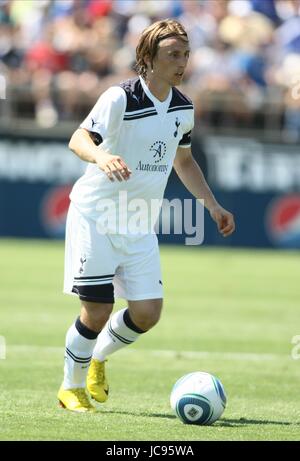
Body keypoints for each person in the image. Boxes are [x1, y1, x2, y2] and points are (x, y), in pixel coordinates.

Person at [58, 19, 235, 412]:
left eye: (185, 54)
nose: (182, 61)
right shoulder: (119, 98)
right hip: (96, 215)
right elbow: (78, 139)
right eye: (173, 54)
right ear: (147, 58)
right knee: (98, 309)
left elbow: (184, 162)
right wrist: (102, 156)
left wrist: (212, 205)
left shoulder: (183, 108)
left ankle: (97, 359)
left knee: (147, 313)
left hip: (139, 222)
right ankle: (70, 386)